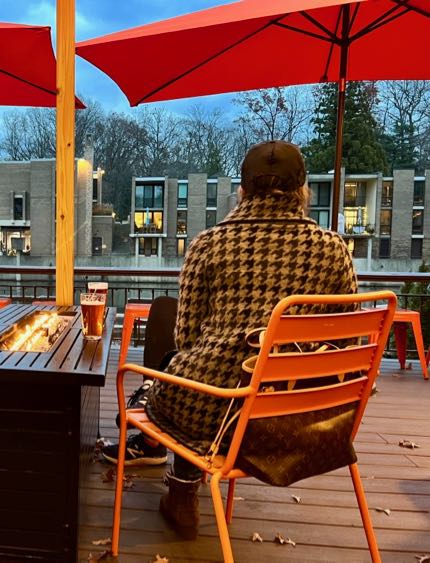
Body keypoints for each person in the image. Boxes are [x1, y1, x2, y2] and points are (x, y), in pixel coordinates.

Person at [102, 140, 358, 540]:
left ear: (242, 189)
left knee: (180, 375)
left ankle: (183, 489)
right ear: (302, 190)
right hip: (305, 417)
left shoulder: (209, 244)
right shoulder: (333, 249)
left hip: (221, 416)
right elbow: (347, 341)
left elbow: (186, 338)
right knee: (201, 375)